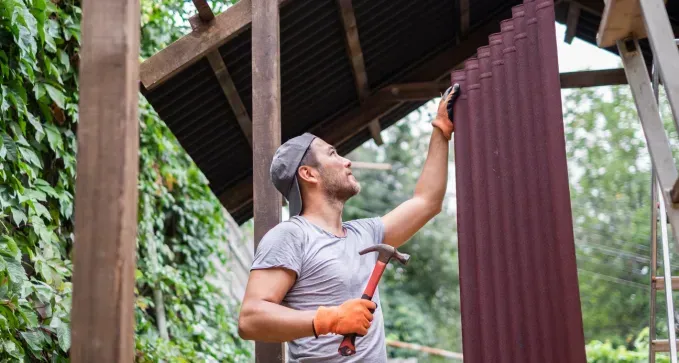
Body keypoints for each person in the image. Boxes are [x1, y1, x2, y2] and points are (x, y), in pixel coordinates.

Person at [237, 85, 459, 362]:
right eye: (332, 154)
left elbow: (426, 202)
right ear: (308, 174)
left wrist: (440, 129)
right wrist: (331, 319)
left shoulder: (365, 234)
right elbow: (251, 319)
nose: (347, 161)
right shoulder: (291, 235)